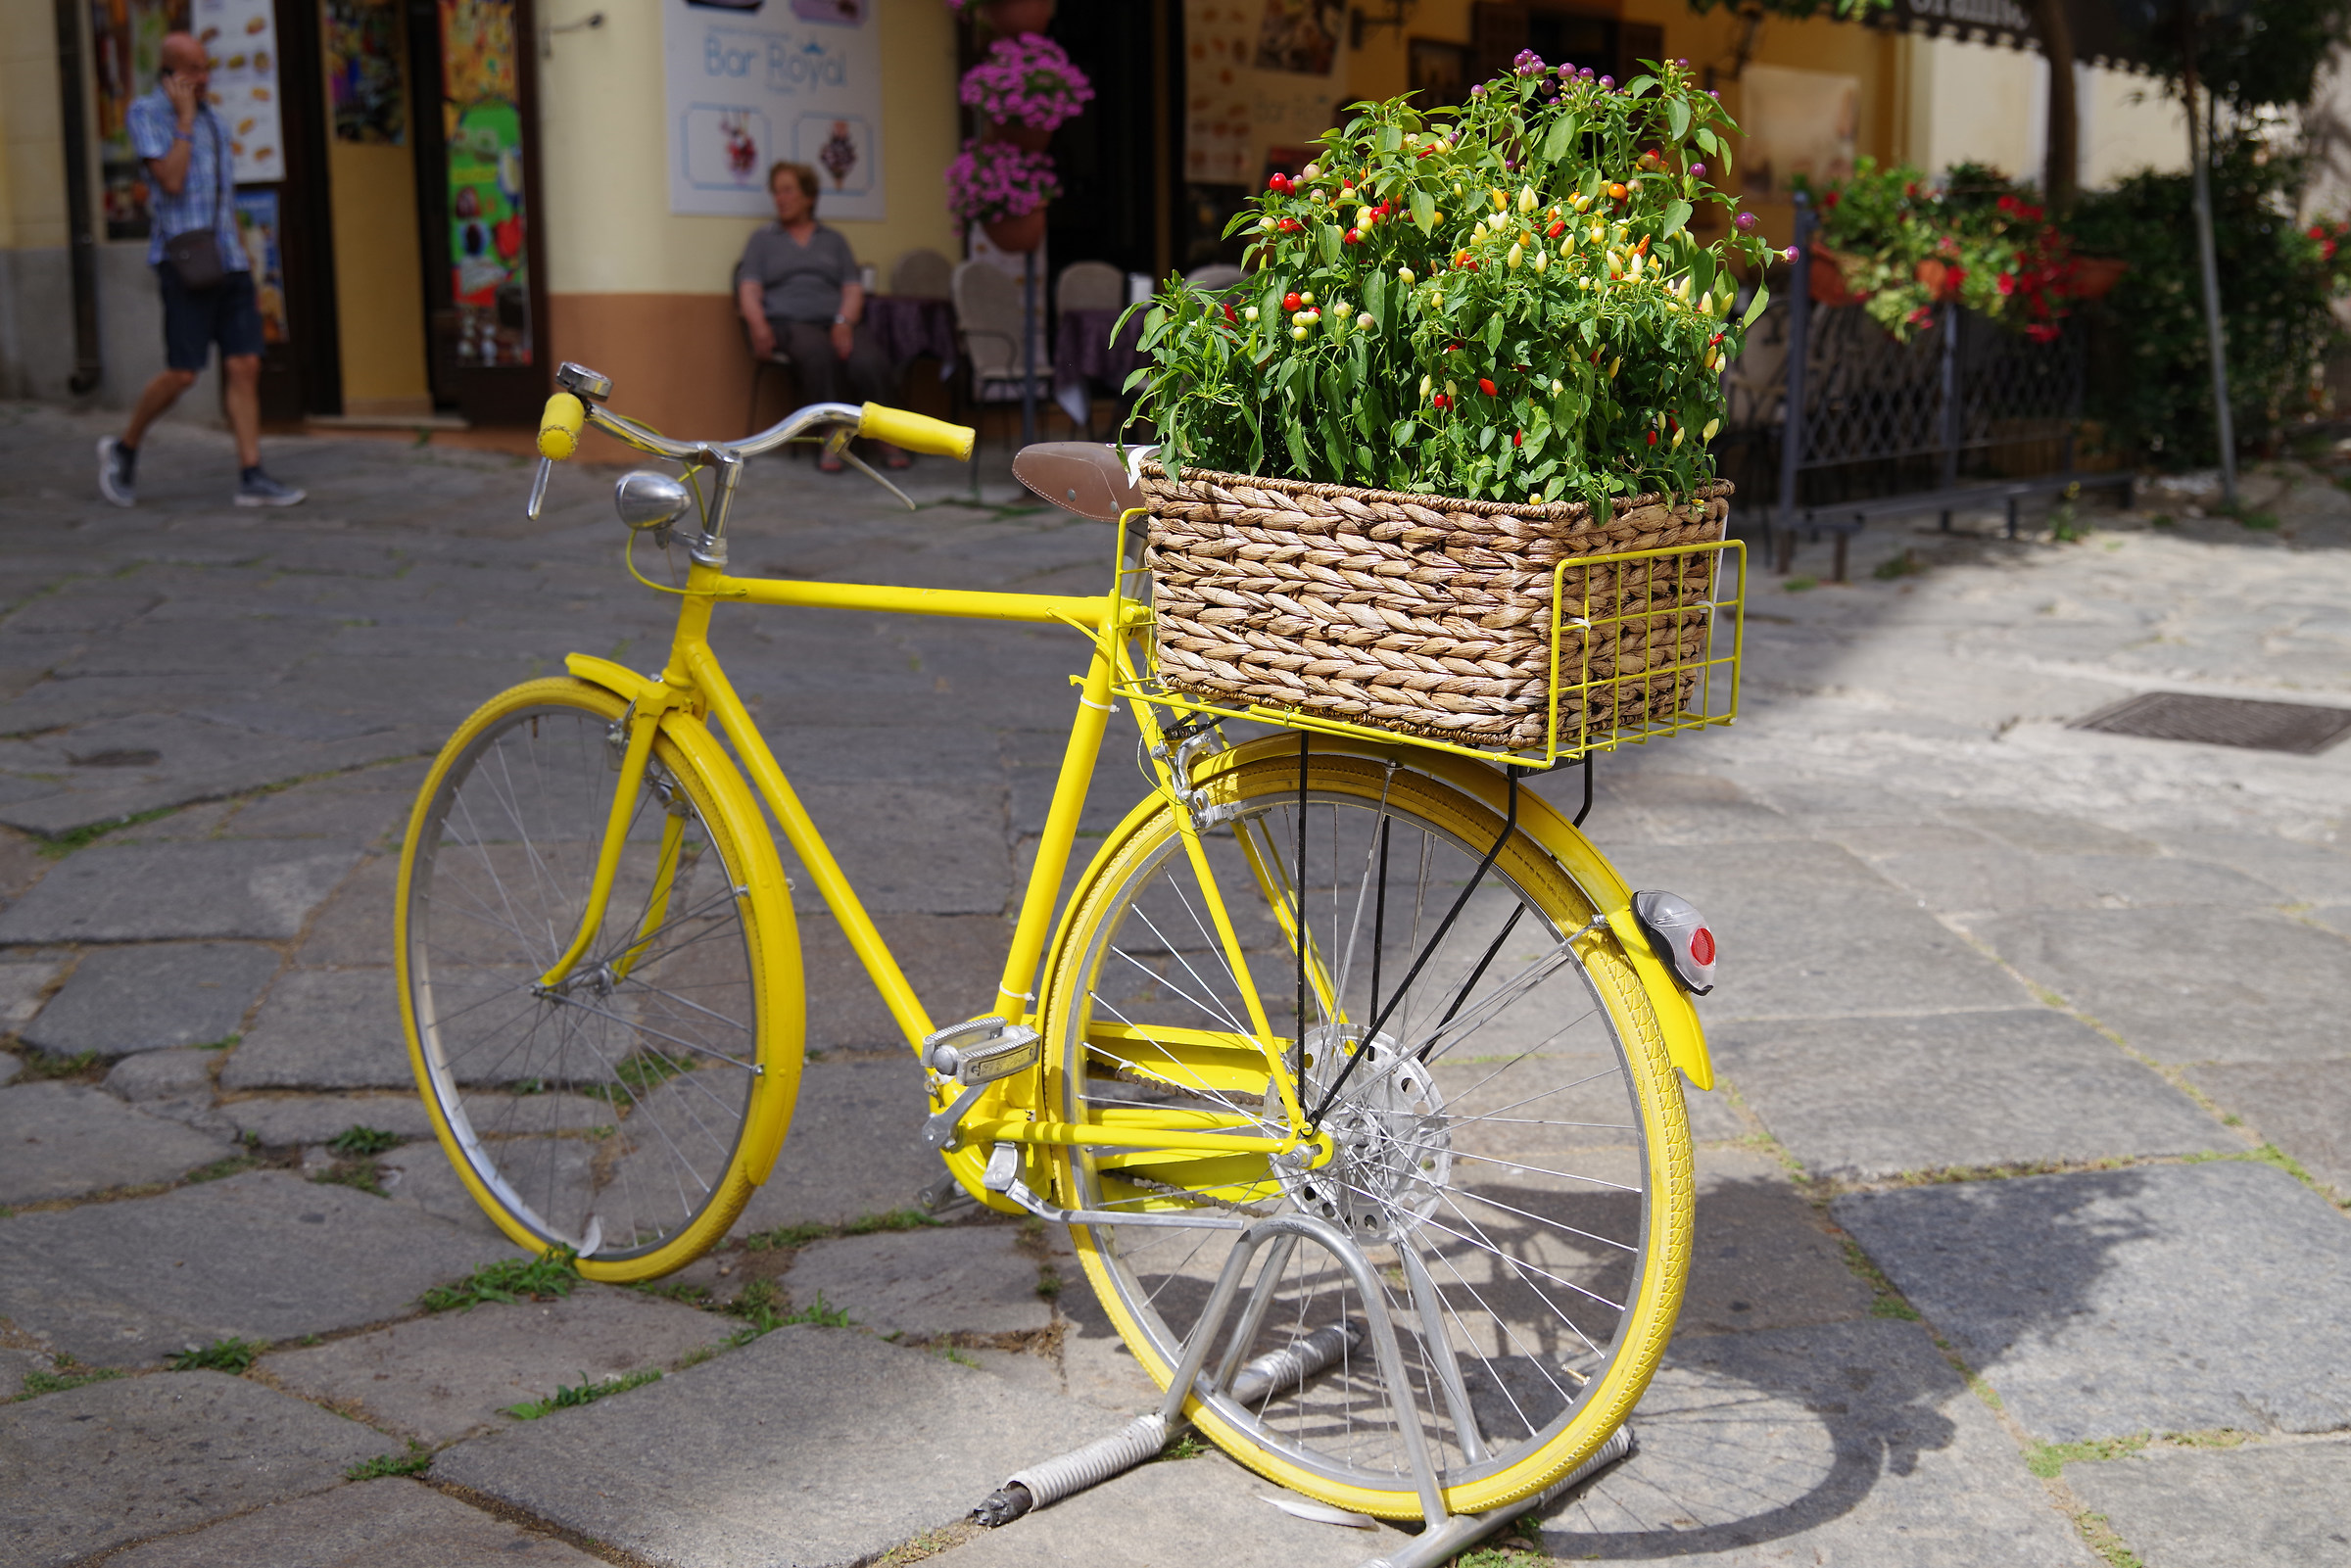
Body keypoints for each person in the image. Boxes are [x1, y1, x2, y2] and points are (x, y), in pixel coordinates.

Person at [96, 32, 304, 508]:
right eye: (192, 69)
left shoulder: (217, 123)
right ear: (169, 74)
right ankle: (124, 449)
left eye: (206, 68)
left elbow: (223, 199)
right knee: (184, 373)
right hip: (183, 262)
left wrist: (248, 263)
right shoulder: (146, 114)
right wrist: (185, 121)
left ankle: (251, 473)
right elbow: (168, 181)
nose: (203, 78)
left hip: (228, 259)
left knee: (245, 364)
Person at [735, 161, 906, 471]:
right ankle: (832, 435)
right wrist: (757, 326)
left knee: (869, 358)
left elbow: (852, 288)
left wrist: (843, 322)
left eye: (788, 191)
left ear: (809, 196)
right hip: (789, 323)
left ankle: (884, 433)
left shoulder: (834, 240)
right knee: (818, 354)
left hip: (836, 320)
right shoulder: (762, 240)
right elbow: (749, 289)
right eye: (776, 192)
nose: (780, 198)